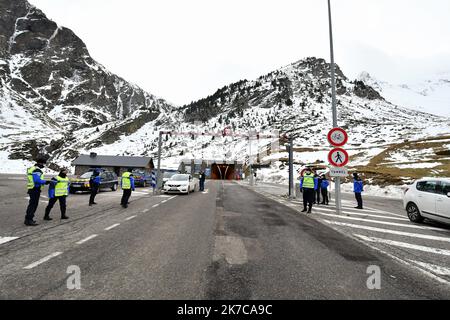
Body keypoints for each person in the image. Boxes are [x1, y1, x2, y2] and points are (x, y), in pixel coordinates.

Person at [25, 158, 48, 226]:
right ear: (40, 163)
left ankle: (29, 219)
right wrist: (46, 182)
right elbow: (37, 180)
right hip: (35, 189)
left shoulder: (32, 168)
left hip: (32, 188)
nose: (43, 165)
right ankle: (29, 220)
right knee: (33, 205)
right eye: (43, 164)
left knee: (32, 204)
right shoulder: (37, 170)